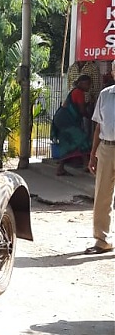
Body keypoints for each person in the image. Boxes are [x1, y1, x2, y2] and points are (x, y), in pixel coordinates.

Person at [86, 62, 115, 255]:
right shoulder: (105, 95)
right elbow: (98, 127)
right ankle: (102, 240)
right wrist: (93, 155)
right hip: (106, 148)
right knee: (103, 196)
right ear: (113, 72)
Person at [51, 76, 92, 176]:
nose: (89, 86)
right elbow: (82, 111)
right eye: (87, 84)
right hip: (66, 120)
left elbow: (77, 106)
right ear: (80, 84)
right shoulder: (79, 92)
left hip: (60, 119)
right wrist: (92, 117)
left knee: (68, 143)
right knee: (82, 139)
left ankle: (60, 168)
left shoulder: (75, 92)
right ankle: (86, 165)